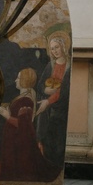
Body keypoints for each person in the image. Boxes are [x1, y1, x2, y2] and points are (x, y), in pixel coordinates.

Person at [0, 67, 60, 183]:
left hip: (17, 140)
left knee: (17, 171)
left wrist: (6, 115)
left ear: (25, 80)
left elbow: (23, 124)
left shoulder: (26, 100)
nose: (16, 80)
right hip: (14, 137)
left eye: (18, 78)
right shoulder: (24, 96)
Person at [35, 33, 71, 166]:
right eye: (52, 49)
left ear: (63, 46)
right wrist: (45, 90)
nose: (55, 51)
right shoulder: (50, 65)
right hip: (48, 110)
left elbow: (65, 91)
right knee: (46, 138)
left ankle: (55, 166)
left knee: (58, 140)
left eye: (57, 47)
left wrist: (48, 101)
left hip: (61, 109)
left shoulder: (69, 67)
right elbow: (39, 85)